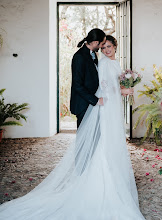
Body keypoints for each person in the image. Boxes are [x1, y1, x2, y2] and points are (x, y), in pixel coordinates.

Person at [0, 34, 145, 220]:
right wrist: (122, 91)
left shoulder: (114, 63)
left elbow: (113, 85)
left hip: (113, 108)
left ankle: (116, 178)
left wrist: (124, 89)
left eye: (109, 46)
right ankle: (102, 182)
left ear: (115, 46)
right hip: (105, 107)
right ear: (98, 47)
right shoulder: (103, 63)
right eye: (103, 47)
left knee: (114, 141)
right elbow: (104, 87)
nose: (106, 50)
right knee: (105, 142)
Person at [70, 28, 106, 128]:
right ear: (95, 42)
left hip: (92, 103)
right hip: (83, 104)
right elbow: (77, 85)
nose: (102, 46)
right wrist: (96, 100)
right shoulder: (79, 57)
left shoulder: (93, 54)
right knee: (84, 139)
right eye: (102, 44)